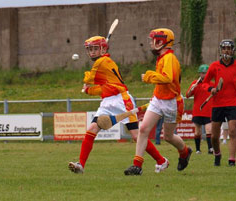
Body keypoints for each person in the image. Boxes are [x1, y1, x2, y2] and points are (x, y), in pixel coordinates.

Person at [68, 36, 167, 174]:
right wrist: (89, 90)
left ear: (103, 49)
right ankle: (81, 165)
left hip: (122, 100)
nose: (92, 52)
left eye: (95, 48)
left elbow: (89, 78)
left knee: (136, 136)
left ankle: (161, 161)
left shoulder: (102, 62)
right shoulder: (103, 62)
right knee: (92, 129)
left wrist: (86, 83)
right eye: (90, 49)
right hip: (107, 102)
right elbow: (104, 88)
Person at [124, 28, 192, 175]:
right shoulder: (161, 57)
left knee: (168, 136)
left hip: (172, 102)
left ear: (161, 41)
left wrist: (149, 76)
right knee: (143, 129)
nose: (150, 43)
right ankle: (137, 166)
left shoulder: (169, 58)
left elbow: (167, 78)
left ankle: (185, 152)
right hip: (158, 100)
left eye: (153, 40)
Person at [202, 39, 236, 166]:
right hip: (218, 103)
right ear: (221, 50)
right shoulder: (214, 66)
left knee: (232, 130)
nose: (226, 51)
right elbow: (205, 83)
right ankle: (217, 154)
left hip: (233, 102)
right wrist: (212, 89)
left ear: (233, 50)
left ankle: (232, 159)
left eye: (229, 48)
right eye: (224, 48)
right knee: (215, 137)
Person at [186, 64, 214, 154]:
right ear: (199, 74)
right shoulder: (195, 83)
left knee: (209, 130)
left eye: (206, 73)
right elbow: (187, 95)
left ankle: (210, 148)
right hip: (198, 111)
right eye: (202, 73)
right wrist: (191, 89)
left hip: (208, 111)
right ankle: (198, 149)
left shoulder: (212, 84)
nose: (204, 75)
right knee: (197, 132)